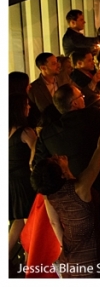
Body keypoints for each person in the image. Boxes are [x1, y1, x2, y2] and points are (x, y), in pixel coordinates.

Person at [30, 94, 100, 277]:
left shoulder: (51, 195)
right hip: (91, 258)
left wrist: (66, 247)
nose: (60, 156)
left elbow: (55, 223)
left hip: (71, 259)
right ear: (62, 173)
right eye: (58, 160)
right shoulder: (81, 187)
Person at [8, 94, 37, 259]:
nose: (29, 107)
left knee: (19, 220)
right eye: (26, 104)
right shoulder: (26, 132)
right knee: (29, 223)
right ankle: (30, 260)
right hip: (24, 183)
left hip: (11, 182)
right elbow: (34, 159)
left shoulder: (8, 131)